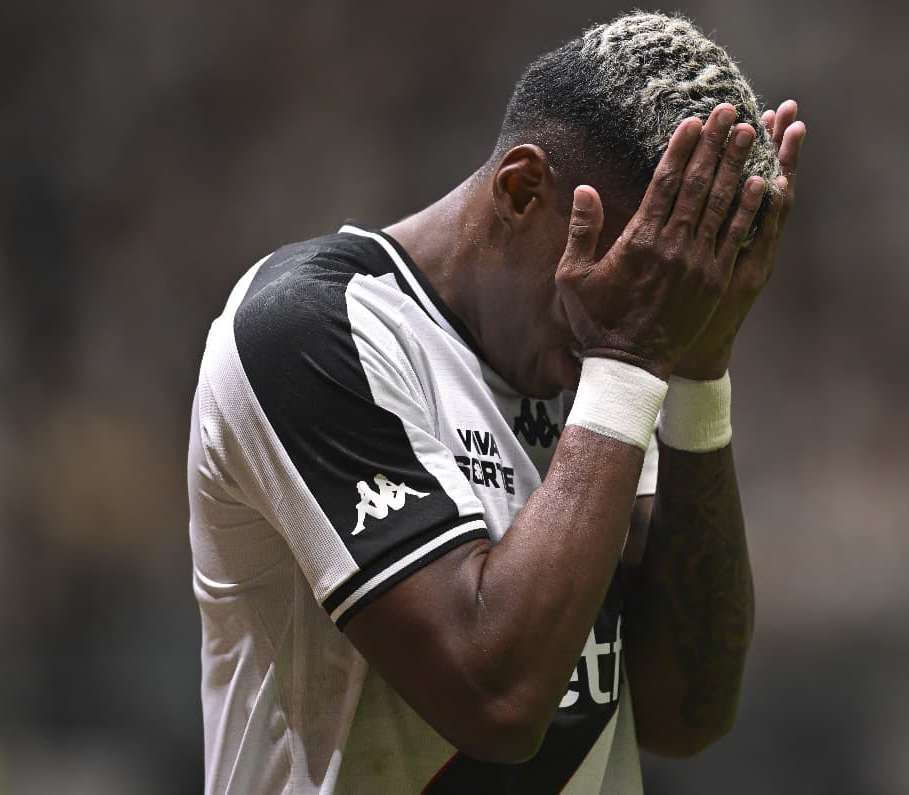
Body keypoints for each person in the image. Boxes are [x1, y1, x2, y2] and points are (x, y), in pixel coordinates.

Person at [187, 10, 806, 793]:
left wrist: (699, 369)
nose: (639, 307)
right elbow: (497, 699)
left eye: (669, 292)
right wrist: (630, 356)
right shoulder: (311, 328)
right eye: (628, 271)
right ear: (521, 190)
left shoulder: (620, 354)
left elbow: (688, 714)